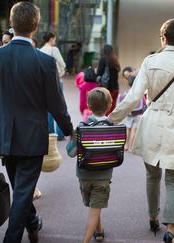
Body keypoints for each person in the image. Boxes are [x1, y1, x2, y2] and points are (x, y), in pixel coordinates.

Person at [0, 2, 73, 242]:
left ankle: (32, 222)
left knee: (21, 190)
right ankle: (12, 238)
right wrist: (70, 130)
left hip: (4, 138)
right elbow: (56, 105)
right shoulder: (44, 61)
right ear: (35, 26)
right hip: (32, 138)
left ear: (11, 23)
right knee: (22, 192)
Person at [108, 18, 174, 243]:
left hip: (153, 124)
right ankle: (171, 229)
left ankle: (153, 216)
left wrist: (112, 118)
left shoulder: (151, 62)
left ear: (163, 38)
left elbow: (133, 97)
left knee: (152, 175)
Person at [66, 87, 114, 243]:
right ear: (109, 106)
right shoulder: (111, 128)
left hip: (84, 176)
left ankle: (99, 232)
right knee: (95, 208)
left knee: (94, 206)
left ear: (88, 104)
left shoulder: (81, 127)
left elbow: (71, 152)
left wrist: (73, 137)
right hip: (103, 177)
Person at [40, 31, 67, 140]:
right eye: (54, 39)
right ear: (51, 38)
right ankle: (60, 134)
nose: (54, 41)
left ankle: (51, 133)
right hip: (56, 81)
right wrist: (60, 73)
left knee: (47, 108)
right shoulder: (53, 49)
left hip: (44, 82)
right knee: (59, 107)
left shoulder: (40, 50)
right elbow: (63, 64)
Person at [117, 74, 146, 152]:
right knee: (134, 130)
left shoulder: (126, 93)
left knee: (128, 129)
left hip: (129, 114)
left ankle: (126, 145)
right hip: (138, 114)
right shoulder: (139, 93)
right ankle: (130, 147)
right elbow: (144, 103)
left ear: (129, 83)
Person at [96, 44, 120, 115]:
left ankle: (106, 124)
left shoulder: (103, 60)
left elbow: (99, 74)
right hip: (115, 88)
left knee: (105, 109)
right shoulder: (115, 60)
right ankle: (111, 124)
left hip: (106, 88)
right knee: (112, 109)